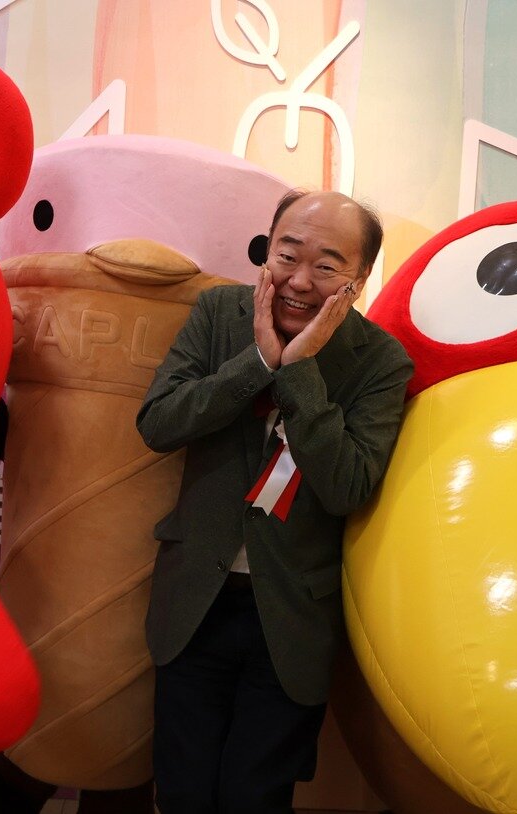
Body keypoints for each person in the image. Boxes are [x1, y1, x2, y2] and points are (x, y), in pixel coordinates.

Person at [137, 189, 414, 813]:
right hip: (193, 606)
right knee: (182, 793)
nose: (299, 281)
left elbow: (347, 485)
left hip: (290, 617)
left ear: (359, 280)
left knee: (254, 798)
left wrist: (300, 370)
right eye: (287, 255)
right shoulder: (218, 315)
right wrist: (258, 360)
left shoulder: (380, 362)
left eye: (326, 266)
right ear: (267, 252)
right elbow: (158, 423)